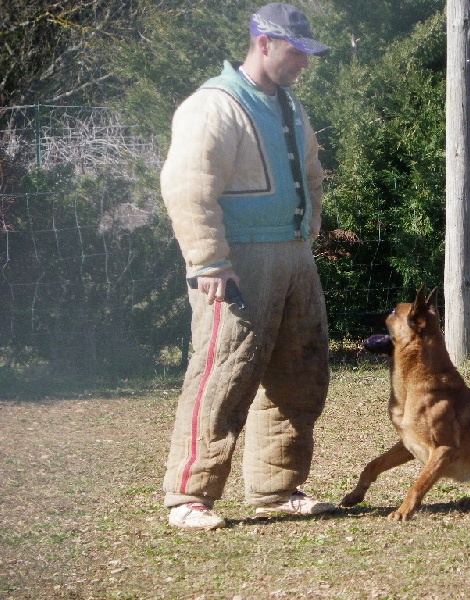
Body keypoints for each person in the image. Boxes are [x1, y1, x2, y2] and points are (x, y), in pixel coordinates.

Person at [160, 3, 334, 530]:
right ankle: (188, 496)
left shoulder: (290, 106)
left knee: (299, 373)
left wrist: (307, 233)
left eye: (306, 53)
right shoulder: (212, 105)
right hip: (237, 261)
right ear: (263, 43)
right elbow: (188, 188)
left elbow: (311, 172)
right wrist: (210, 259)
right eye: (295, 51)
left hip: (293, 254)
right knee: (224, 372)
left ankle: (276, 489)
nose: (303, 62)